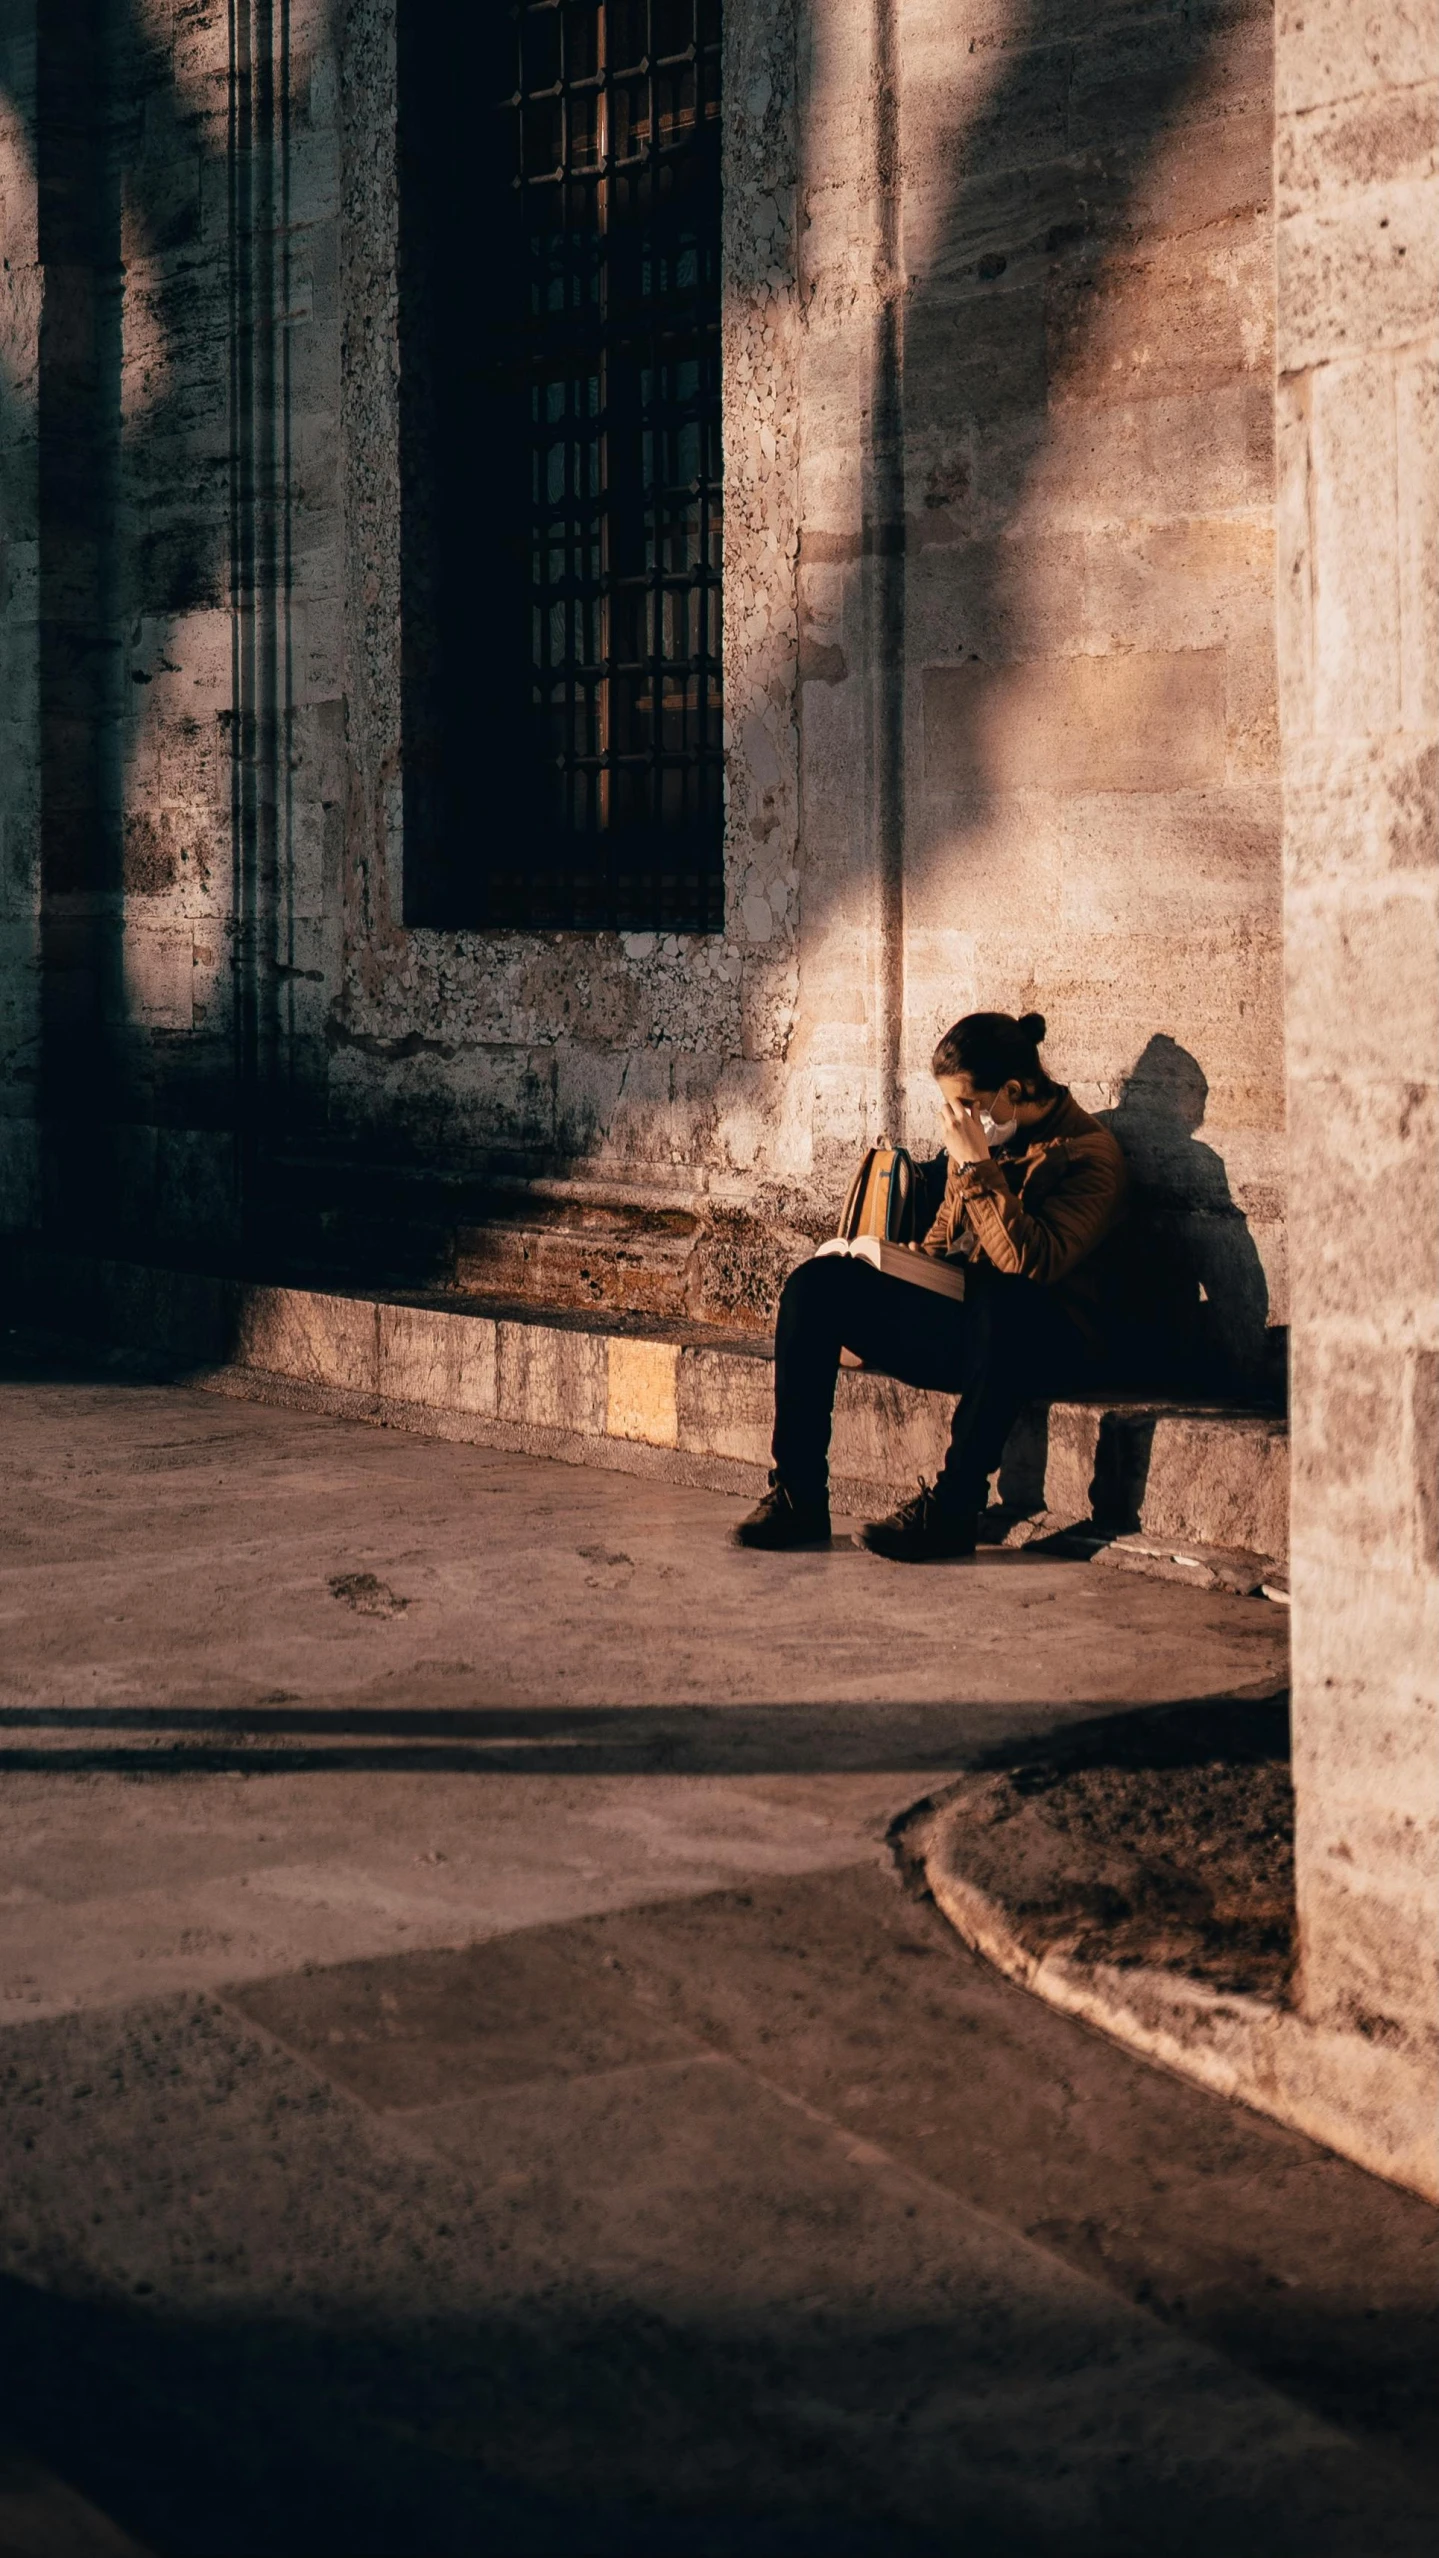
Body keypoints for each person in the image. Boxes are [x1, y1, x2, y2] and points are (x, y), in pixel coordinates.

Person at [734, 1010, 1130, 1561]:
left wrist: (978, 1168)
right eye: (951, 1106)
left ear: (1010, 1092)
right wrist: (899, 1269)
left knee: (1007, 1297)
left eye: (968, 1105)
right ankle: (798, 1496)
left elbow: (1030, 1264)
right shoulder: (976, 1147)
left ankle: (953, 1508)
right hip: (976, 1329)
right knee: (815, 1286)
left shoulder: (1090, 1156)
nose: (958, 1119)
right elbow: (943, 1242)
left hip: (1051, 1342)